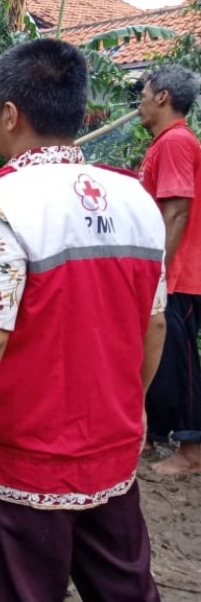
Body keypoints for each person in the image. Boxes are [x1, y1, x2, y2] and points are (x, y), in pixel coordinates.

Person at [0, 38, 166, 602]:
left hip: (24, 458)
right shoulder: (137, 198)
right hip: (111, 449)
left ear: (9, 114)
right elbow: (156, 325)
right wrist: (129, 408)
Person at [138, 64, 201, 474]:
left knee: (180, 361)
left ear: (162, 97)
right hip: (173, 271)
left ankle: (193, 452)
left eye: (143, 93)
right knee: (155, 356)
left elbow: (177, 211)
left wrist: (157, 272)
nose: (139, 102)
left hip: (181, 272)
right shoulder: (166, 143)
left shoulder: (176, 142)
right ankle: (151, 434)